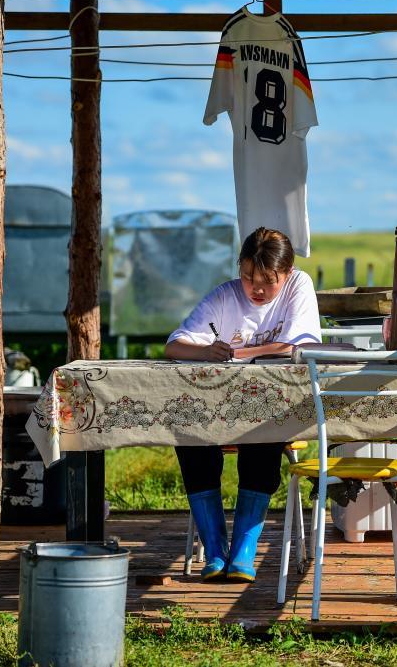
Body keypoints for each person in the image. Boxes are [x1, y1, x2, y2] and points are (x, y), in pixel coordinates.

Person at [165, 227, 321, 582]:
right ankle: (215, 550)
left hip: (273, 409)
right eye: (248, 277)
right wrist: (205, 351)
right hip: (217, 412)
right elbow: (174, 346)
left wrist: (236, 353)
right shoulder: (225, 295)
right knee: (189, 435)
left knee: (264, 437)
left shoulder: (299, 286)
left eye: (268, 281)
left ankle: (243, 551)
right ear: (240, 267)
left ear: (288, 273)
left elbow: (298, 346)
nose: (256, 288)